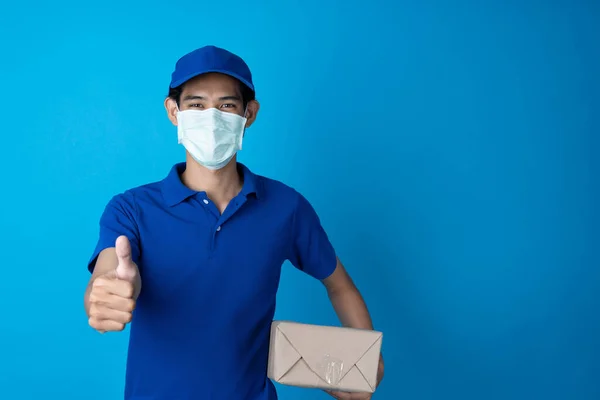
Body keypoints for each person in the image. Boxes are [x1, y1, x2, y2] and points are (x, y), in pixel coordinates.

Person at [83, 45, 384, 400]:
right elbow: (106, 274)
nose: (211, 118)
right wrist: (103, 294)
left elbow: (340, 285)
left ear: (249, 113)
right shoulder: (131, 209)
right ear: (173, 111)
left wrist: (366, 360)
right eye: (196, 104)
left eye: (226, 105)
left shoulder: (286, 207)